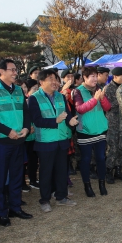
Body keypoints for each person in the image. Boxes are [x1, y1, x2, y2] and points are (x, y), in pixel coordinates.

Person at [0, 58, 33, 227]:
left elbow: (26, 112)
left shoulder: (18, 90)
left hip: (19, 140)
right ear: (1, 72)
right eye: (11, 69)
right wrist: (7, 131)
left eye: (15, 69)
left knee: (17, 176)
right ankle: (2, 212)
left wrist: (26, 128)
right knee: (0, 178)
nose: (15, 72)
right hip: (1, 142)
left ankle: (15, 207)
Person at [28, 69, 78, 210]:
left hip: (62, 139)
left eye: (56, 79)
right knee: (46, 172)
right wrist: (55, 121)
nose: (55, 82)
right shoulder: (34, 98)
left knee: (62, 171)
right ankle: (45, 200)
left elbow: (66, 115)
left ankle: (61, 196)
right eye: (51, 79)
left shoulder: (60, 97)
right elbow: (37, 121)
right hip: (45, 142)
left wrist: (71, 121)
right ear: (41, 81)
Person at [72, 67, 110, 197]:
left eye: (96, 76)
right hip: (86, 131)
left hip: (100, 129)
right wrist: (95, 99)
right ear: (85, 78)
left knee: (101, 158)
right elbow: (81, 109)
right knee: (86, 159)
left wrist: (102, 98)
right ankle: (87, 185)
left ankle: (102, 184)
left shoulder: (99, 89)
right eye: (91, 76)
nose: (95, 79)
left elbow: (107, 107)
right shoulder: (77, 91)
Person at [104, 67, 122, 183]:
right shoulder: (108, 89)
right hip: (113, 122)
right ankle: (108, 171)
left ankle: (118, 170)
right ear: (115, 77)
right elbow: (108, 106)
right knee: (113, 148)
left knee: (121, 147)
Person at [23, 79, 40, 190]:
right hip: (26, 136)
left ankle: (33, 180)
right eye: (34, 89)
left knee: (33, 160)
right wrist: (29, 126)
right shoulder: (24, 102)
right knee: (24, 161)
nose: (36, 91)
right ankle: (23, 182)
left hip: (35, 136)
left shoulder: (36, 101)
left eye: (37, 88)